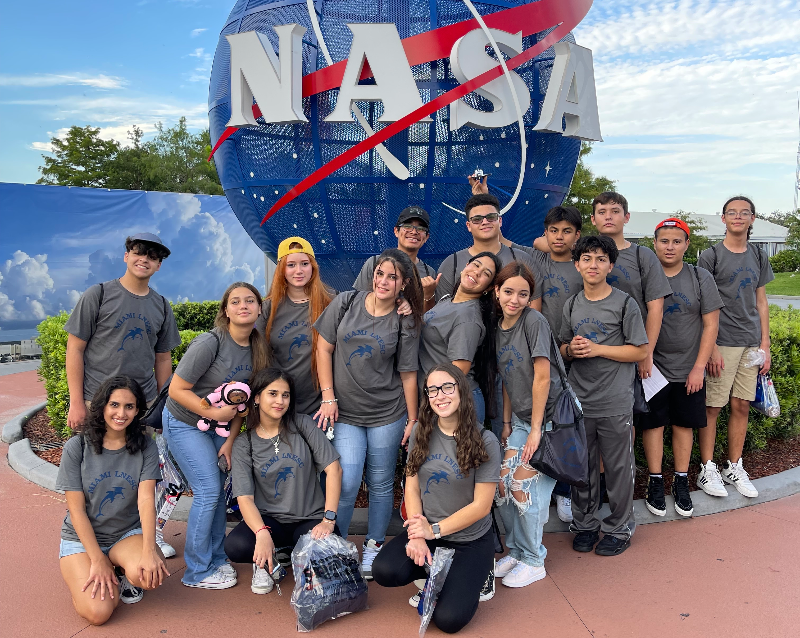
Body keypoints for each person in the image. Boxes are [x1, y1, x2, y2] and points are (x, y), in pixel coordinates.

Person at [64, 233, 181, 557]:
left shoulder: (160, 305)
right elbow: (75, 348)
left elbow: (163, 359)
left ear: (158, 265)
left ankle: (143, 535)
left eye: (153, 256)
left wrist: (162, 408)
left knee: (140, 478)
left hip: (139, 409)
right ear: (127, 255)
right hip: (97, 404)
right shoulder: (98, 294)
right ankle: (88, 543)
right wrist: (76, 401)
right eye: (139, 251)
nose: (145, 258)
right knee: (95, 477)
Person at [313, 249, 423, 579]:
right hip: (345, 412)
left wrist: (413, 419)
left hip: (387, 413)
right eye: (380, 274)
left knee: (379, 481)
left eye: (392, 277)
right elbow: (323, 347)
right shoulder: (346, 302)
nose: (384, 281)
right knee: (345, 481)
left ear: (403, 283)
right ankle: (340, 546)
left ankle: (374, 544)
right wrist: (328, 396)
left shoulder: (405, 319)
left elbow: (407, 372)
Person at [372, 364, 501, 634]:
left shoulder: (485, 440)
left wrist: (433, 531)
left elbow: (482, 506)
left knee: (449, 620)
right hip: (429, 532)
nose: (439, 396)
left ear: (461, 391)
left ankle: (478, 572)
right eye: (432, 390)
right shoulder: (422, 432)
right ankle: (437, 573)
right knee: (384, 570)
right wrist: (418, 533)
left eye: (446, 388)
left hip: (470, 541)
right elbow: (412, 485)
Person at [163, 282, 269, 589]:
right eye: (235, 302)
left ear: (259, 309)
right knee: (208, 491)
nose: (243, 306)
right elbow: (176, 389)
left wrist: (231, 440)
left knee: (219, 491)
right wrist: (210, 413)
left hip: (221, 427)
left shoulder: (258, 349)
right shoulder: (210, 343)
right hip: (185, 420)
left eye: (250, 301)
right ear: (226, 310)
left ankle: (217, 558)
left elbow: (242, 404)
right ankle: (197, 571)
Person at [559, 236, 648, 556]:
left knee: (618, 467)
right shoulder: (571, 304)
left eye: (600, 259)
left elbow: (640, 350)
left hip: (614, 400)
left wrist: (597, 349)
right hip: (580, 401)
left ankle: (619, 528)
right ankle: (584, 524)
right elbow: (561, 348)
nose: (592, 264)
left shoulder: (625, 303)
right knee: (581, 467)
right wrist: (571, 349)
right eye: (586, 258)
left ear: (611, 265)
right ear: (577, 264)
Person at [57, 376, 168, 625]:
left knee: (150, 575)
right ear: (103, 407)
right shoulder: (77, 447)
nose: (121, 413)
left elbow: (146, 501)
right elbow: (76, 511)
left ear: (138, 410)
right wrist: (97, 560)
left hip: (125, 534)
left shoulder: (145, 447)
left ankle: (121, 569)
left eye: (129, 406)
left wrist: (150, 551)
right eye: (114, 405)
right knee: (99, 613)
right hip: (82, 539)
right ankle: (94, 571)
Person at [224, 368, 343, 594]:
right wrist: (261, 532)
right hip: (271, 520)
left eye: (285, 395)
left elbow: (334, 470)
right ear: (257, 398)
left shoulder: (302, 425)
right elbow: (245, 497)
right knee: (236, 546)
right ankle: (267, 561)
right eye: (273, 394)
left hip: (308, 519)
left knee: (325, 552)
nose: (280, 401)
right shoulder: (244, 443)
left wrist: (328, 519)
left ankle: (288, 554)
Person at [641, 218, 723, 517]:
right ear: (654, 244)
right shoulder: (645, 277)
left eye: (677, 241)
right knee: (653, 424)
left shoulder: (699, 277)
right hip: (653, 367)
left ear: (687, 244)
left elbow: (711, 322)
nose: (670, 246)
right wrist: (643, 356)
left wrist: (699, 366)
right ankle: (654, 481)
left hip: (688, 367)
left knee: (683, 424)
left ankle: (680, 481)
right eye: (664, 240)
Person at [493, 262, 566, 586]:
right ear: (496, 292)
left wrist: (536, 429)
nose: (515, 299)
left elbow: (542, 376)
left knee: (524, 487)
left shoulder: (533, 322)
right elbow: (509, 377)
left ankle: (535, 560)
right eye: (509, 291)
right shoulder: (499, 327)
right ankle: (518, 550)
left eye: (523, 294)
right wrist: (508, 421)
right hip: (522, 420)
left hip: (549, 423)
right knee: (502, 484)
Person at [697, 196, 774, 498]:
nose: (738, 217)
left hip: (750, 343)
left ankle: (734, 466)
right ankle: (707, 468)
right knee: (713, 406)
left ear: (752, 219)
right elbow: (703, 305)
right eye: (732, 212)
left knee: (742, 404)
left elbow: (761, 301)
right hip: (722, 342)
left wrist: (764, 343)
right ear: (723, 218)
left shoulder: (758, 255)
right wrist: (711, 346)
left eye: (744, 213)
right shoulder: (711, 256)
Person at [522, 205, 583, 523]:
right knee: (542, 423)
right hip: (543, 355)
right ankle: (541, 488)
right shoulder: (537, 259)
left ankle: (564, 492)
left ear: (578, 235)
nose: (559, 237)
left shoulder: (583, 262)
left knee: (567, 426)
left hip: (576, 356)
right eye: (553, 231)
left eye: (567, 231)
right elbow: (522, 241)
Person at [419, 252, 501, 426]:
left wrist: (434, 402)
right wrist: (429, 296)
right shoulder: (449, 299)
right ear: (465, 267)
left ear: (488, 288)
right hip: (440, 399)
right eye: (476, 265)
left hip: (453, 403)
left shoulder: (467, 317)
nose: (477, 272)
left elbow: (458, 371)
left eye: (486, 274)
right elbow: (431, 323)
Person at [257, 236, 334, 417]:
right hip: (280, 405)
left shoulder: (331, 302)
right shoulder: (268, 308)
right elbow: (250, 349)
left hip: (321, 406)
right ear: (281, 270)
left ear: (313, 267)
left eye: (304, 264)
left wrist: (402, 301)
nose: (298, 271)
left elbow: (370, 307)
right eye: (291, 265)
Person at [435, 194, 537, 300]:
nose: (485, 222)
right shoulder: (452, 264)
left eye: (491, 217)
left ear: (500, 221)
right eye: (477, 219)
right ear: (468, 226)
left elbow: (533, 307)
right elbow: (442, 310)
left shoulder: (522, 259)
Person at [353, 206, 440, 311]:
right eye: (407, 226)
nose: (414, 232)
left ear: (426, 237)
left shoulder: (429, 273)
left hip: (410, 326)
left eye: (421, 228)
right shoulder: (375, 262)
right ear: (396, 231)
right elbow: (357, 301)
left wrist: (428, 296)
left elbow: (431, 316)